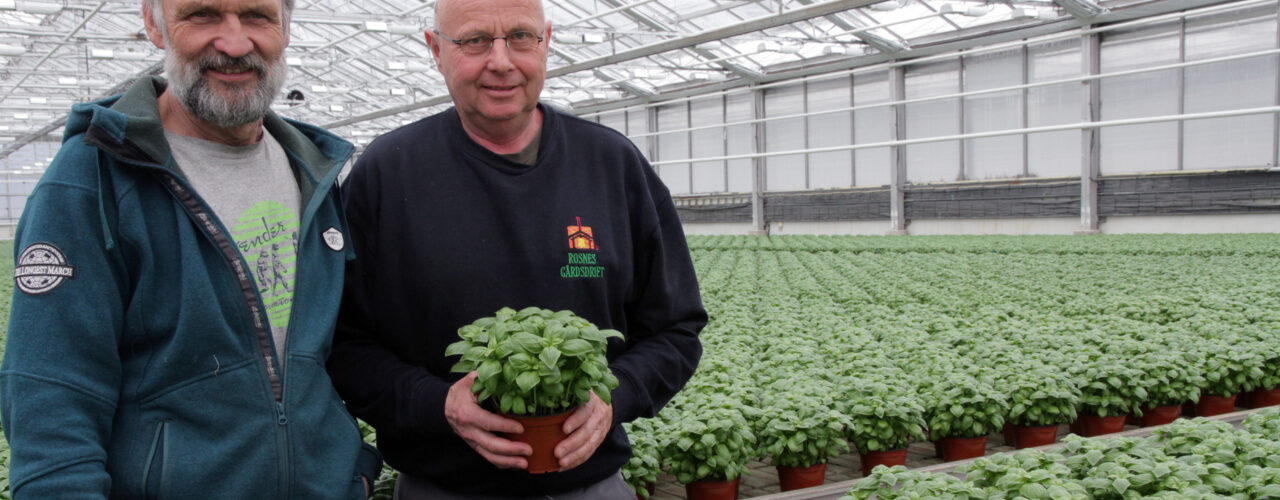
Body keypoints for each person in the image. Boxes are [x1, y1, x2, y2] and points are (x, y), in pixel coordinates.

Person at [325, 0, 706, 497]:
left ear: (546, 40)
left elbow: (676, 327)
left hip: (590, 485)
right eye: (474, 40)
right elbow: (342, 342)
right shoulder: (385, 172)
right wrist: (436, 404)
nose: (501, 61)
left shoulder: (612, 165)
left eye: (521, 36)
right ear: (436, 49)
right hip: (441, 487)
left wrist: (619, 394)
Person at [0, 0, 381, 497]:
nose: (234, 43)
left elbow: (335, 353)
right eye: (202, 15)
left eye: (257, 17)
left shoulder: (313, 172)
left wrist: (355, 466)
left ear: (285, 29)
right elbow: (51, 401)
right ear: (153, 25)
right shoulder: (93, 178)